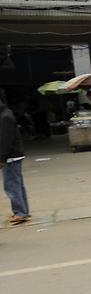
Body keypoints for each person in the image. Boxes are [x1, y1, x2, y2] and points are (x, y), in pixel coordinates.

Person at [0, 88, 30, 225]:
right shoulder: (6, 113)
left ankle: (20, 212)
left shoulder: (4, 116)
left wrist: (1, 158)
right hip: (13, 154)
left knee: (11, 185)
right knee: (17, 184)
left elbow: (5, 140)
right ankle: (23, 210)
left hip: (10, 155)